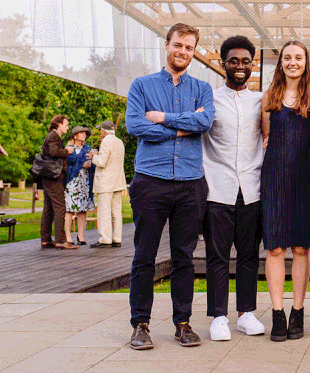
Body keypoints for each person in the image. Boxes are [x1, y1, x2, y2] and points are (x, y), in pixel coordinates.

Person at [125, 23, 215, 351]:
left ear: (194, 52)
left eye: (189, 48)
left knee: (184, 257)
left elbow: (205, 123)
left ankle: (182, 323)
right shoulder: (142, 85)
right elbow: (134, 124)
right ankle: (141, 325)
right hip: (150, 181)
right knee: (144, 255)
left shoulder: (202, 89)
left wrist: (162, 117)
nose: (183, 52)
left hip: (190, 184)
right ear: (167, 45)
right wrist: (183, 126)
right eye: (178, 45)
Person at [201, 36, 265, 342]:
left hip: (252, 189)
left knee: (250, 254)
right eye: (234, 61)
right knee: (217, 255)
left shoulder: (262, 100)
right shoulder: (208, 99)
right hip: (217, 188)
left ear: (252, 65)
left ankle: (246, 313)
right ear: (223, 64)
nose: (240, 66)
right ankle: (219, 316)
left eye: (245, 61)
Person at [261, 40, 310, 342]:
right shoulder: (269, 96)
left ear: (305, 61)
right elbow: (265, 137)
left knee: (300, 248)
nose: (293, 62)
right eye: (287, 57)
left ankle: (297, 311)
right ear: (280, 62)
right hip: (274, 179)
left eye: (298, 57)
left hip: (304, 180)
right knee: (275, 248)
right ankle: (277, 313)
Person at [89, 120, 128, 248]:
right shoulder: (119, 142)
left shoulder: (106, 142)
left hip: (105, 182)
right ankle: (117, 238)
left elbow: (101, 162)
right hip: (118, 181)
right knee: (116, 211)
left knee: (104, 211)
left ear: (104, 130)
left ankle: (105, 238)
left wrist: (93, 156)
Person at [39, 115, 74, 249]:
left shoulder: (52, 136)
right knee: (60, 207)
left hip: (48, 177)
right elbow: (54, 152)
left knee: (48, 208)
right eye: (66, 124)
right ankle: (61, 240)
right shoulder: (53, 136)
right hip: (53, 177)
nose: (67, 126)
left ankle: (46, 239)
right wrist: (67, 151)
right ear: (58, 124)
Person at [63, 126, 95, 248]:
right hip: (72, 182)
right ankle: (68, 236)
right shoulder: (70, 149)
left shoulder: (88, 149)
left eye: (85, 133)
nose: (83, 135)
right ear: (75, 135)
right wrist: (82, 163)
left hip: (85, 182)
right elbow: (67, 165)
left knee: (82, 210)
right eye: (81, 133)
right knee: (70, 209)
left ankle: (81, 236)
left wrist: (91, 161)